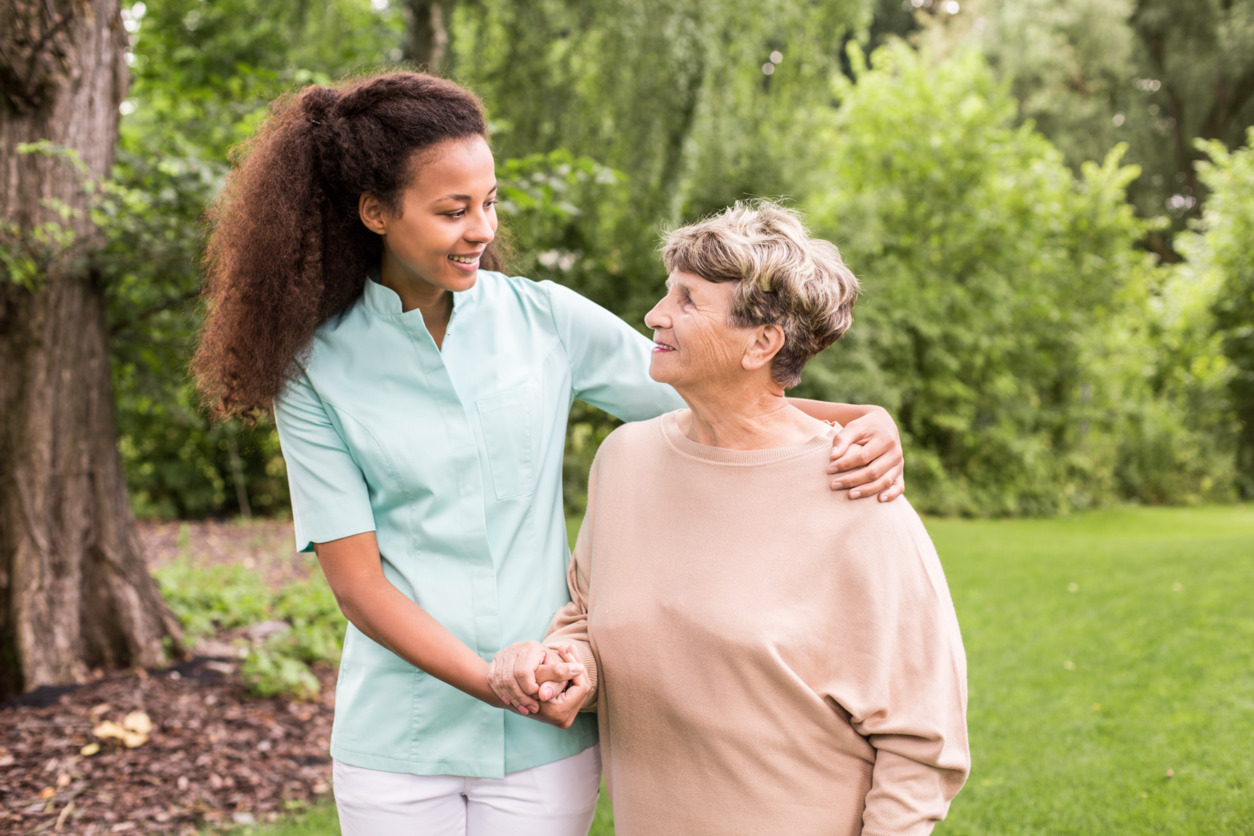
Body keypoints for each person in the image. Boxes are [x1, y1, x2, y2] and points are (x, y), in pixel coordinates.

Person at [191, 71, 908, 836]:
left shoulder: (546, 320)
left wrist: (860, 417)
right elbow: (360, 586)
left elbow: (713, 395)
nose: (483, 230)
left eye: (490, 202)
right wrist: (488, 677)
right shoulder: (313, 370)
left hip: (546, 725)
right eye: (452, 211)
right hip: (397, 744)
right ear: (375, 212)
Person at [491, 201, 969, 835]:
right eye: (668, 292)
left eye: (688, 300)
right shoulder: (626, 460)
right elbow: (587, 614)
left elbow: (922, 740)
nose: (655, 315)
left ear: (763, 343)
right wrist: (566, 664)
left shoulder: (858, 493)